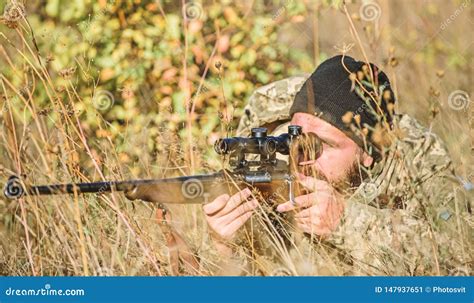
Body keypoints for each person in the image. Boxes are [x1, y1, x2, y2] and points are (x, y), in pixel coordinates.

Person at [201, 55, 472, 275]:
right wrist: (224, 246)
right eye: (294, 137)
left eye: (324, 145)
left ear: (368, 152)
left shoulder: (417, 160)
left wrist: (346, 221)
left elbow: (456, 259)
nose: (302, 158)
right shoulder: (274, 157)